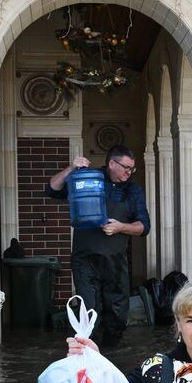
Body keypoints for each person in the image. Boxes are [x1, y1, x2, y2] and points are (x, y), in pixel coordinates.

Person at [45, 145, 150, 347]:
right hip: (85, 258)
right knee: (89, 310)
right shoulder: (87, 179)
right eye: (126, 168)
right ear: (112, 163)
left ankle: (112, 355)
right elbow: (52, 189)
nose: (129, 173)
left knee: (118, 312)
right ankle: (86, 356)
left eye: (132, 169)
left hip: (115, 260)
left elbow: (143, 226)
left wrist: (121, 227)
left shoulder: (132, 190)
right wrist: (71, 168)